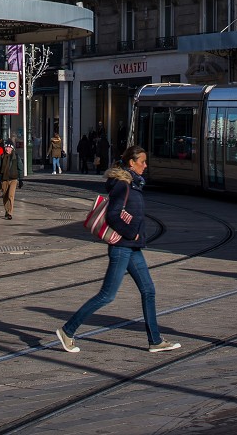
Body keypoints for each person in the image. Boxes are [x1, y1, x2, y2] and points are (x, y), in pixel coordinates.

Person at [55, 145, 181, 355]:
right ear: (132, 163)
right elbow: (113, 215)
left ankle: (155, 340)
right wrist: (131, 233)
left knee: (148, 290)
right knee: (107, 295)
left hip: (132, 248)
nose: (145, 165)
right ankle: (68, 330)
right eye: (142, 161)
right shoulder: (123, 185)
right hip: (123, 247)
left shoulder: (133, 184)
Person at [0, 139, 24, 219]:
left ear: (12, 148)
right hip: (4, 179)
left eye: (9, 147)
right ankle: (7, 210)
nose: (7, 149)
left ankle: (10, 213)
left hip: (13, 179)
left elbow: (20, 168)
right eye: (6, 147)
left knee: (10, 195)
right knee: (5, 196)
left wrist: (21, 179)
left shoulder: (16, 157)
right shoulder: (1, 157)